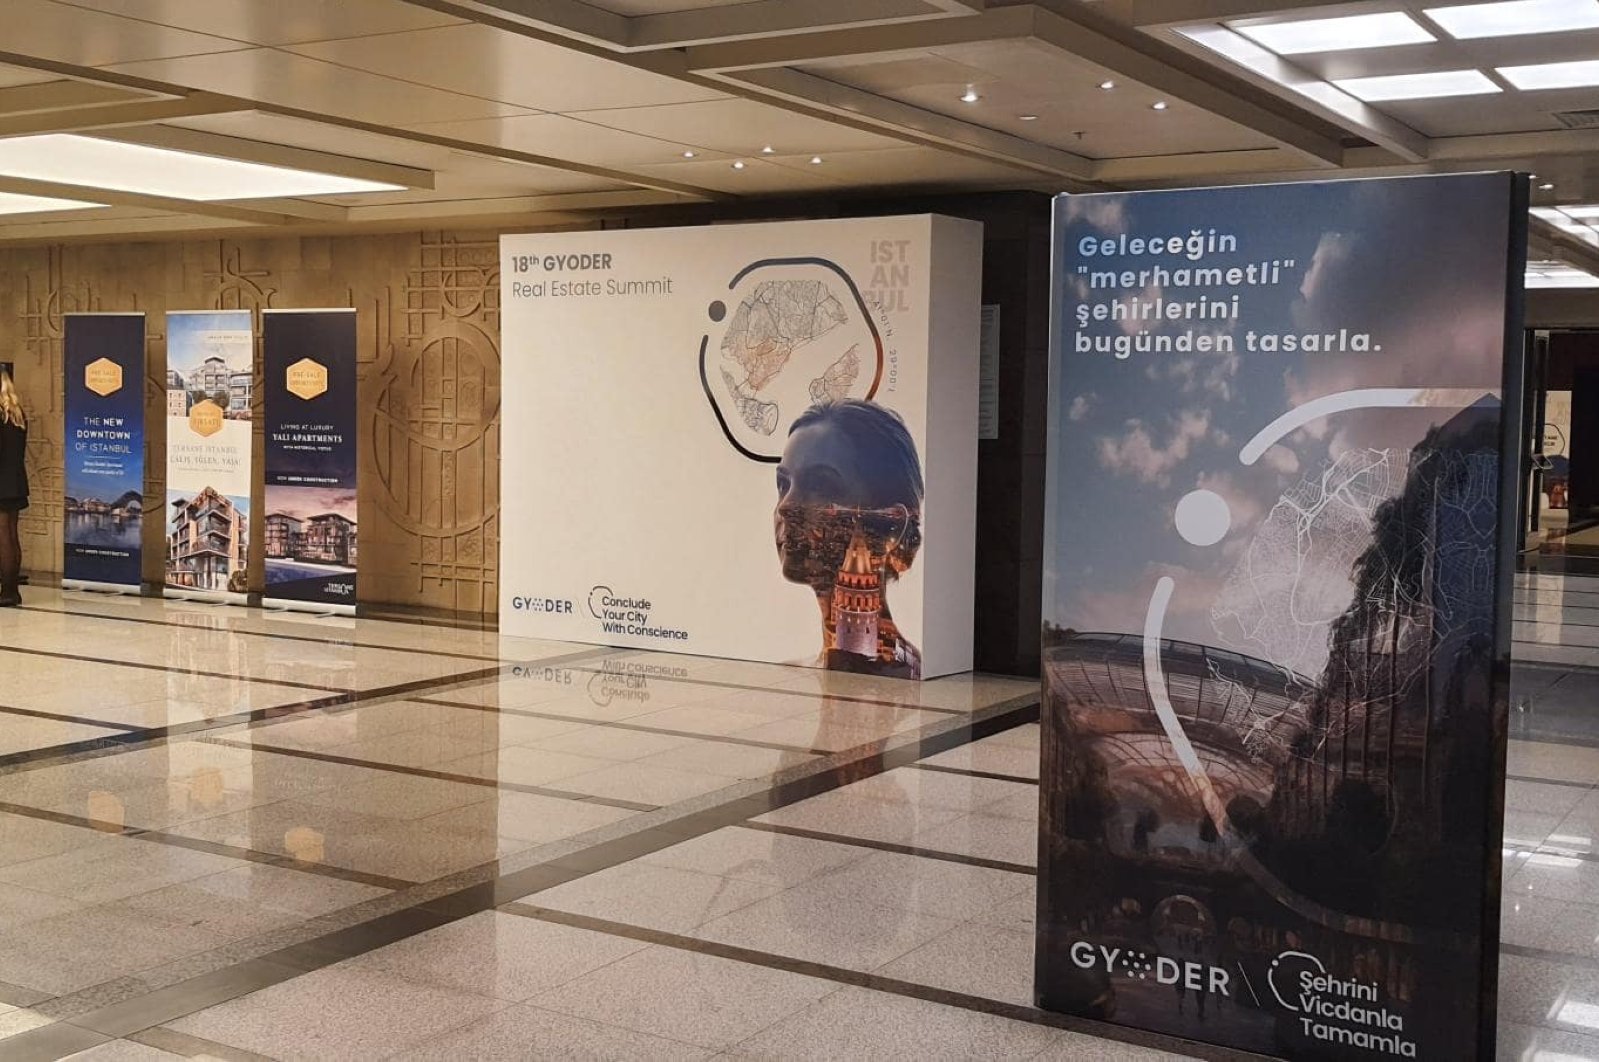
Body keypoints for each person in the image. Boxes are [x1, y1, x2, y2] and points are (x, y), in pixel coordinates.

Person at [773, 399, 924, 678]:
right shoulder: (791, 677)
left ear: (893, 521)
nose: (785, 507)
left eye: (820, 485)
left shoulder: (908, 680)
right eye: (783, 484)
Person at [0, 369, 27, 607]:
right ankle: (12, 589)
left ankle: (7, 592)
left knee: (3, 538)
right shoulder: (17, 414)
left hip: (2, 483)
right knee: (11, 535)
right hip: (16, 482)